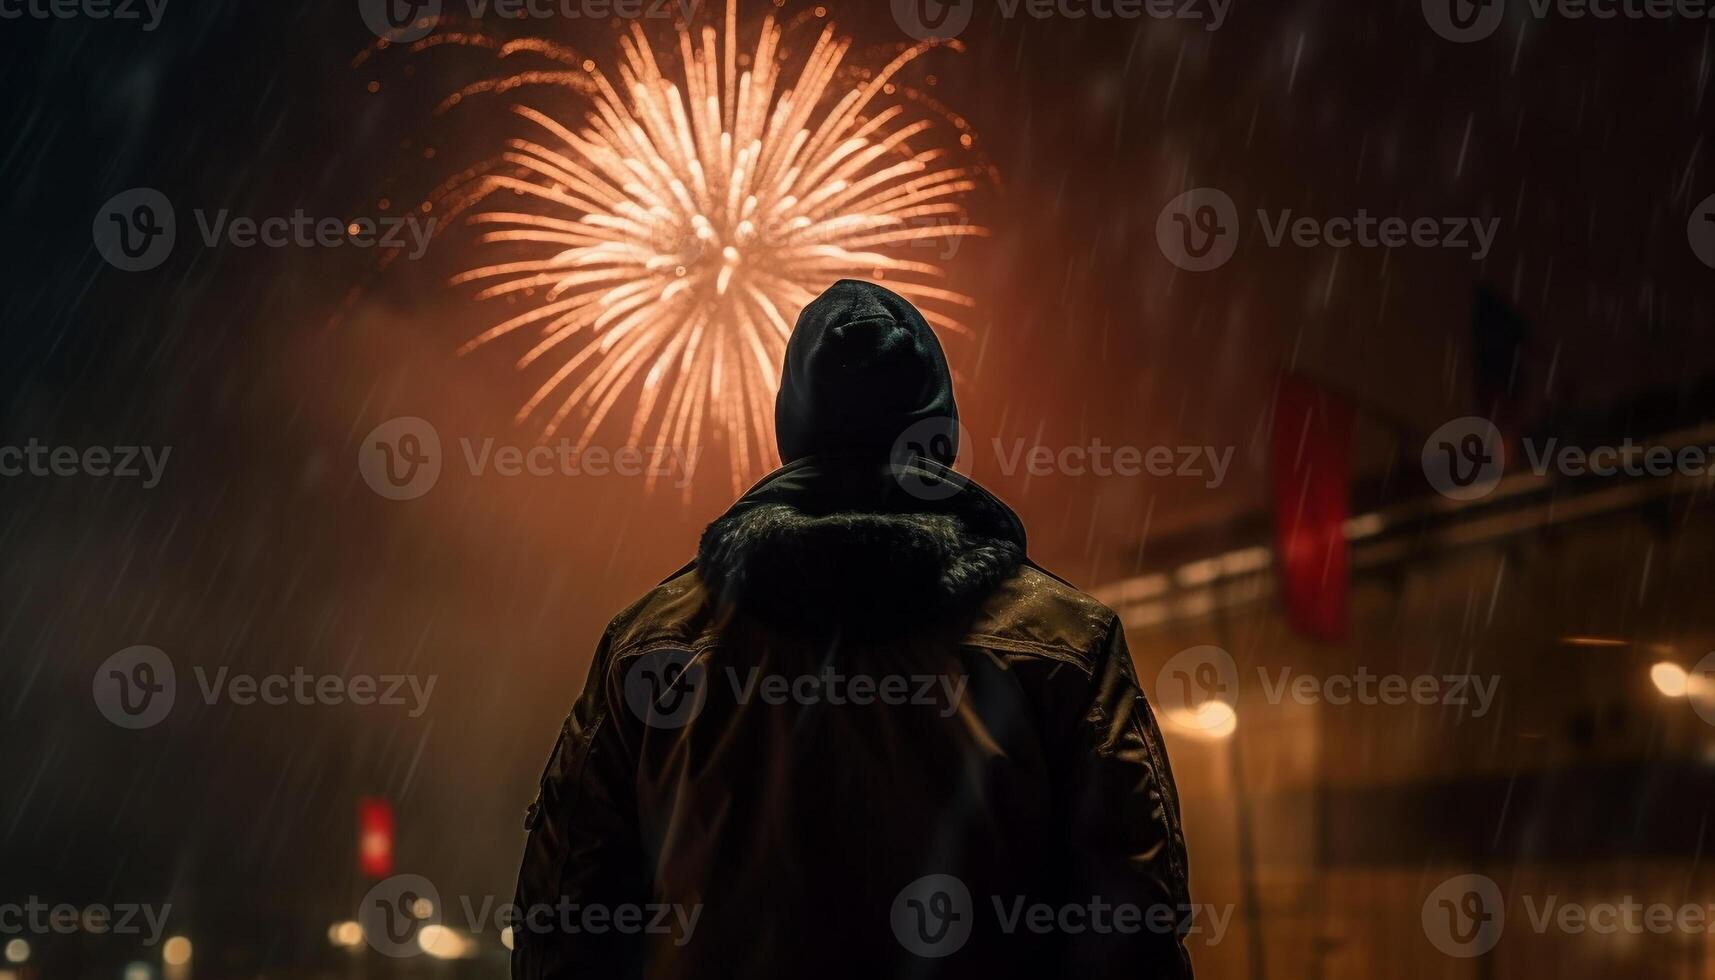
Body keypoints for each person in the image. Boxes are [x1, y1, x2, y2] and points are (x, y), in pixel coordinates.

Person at [511, 279, 1194, 979]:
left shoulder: (652, 647)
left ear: (791, 428)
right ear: (938, 429)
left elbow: (563, 922)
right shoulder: (1066, 645)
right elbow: (1132, 929)